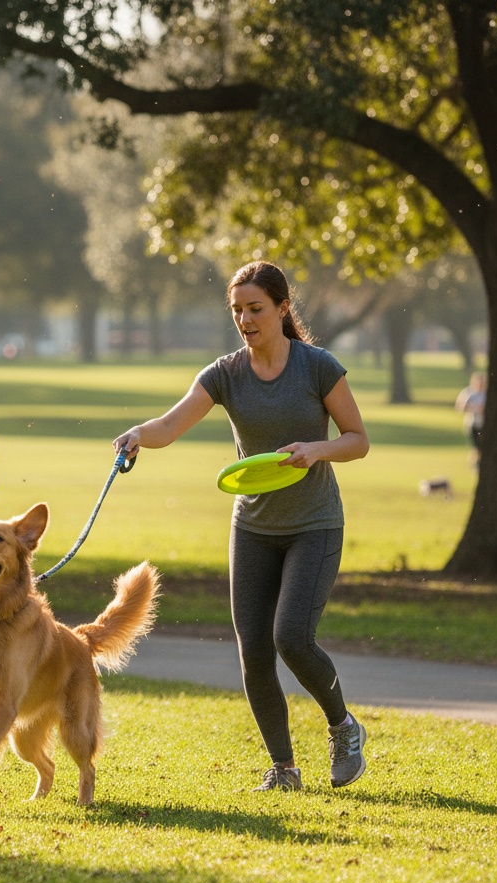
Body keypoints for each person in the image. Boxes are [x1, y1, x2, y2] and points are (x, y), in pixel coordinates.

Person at [113, 261, 371, 792]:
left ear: (282, 308)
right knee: (254, 651)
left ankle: (343, 727)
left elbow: (357, 439)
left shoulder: (318, 366)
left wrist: (315, 450)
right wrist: (138, 434)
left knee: (292, 638)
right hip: (253, 526)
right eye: (237, 311)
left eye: (255, 309)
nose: (245, 320)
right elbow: (171, 423)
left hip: (313, 523)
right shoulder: (225, 373)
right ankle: (284, 769)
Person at [454, 370, 486, 468]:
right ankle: (474, 465)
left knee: (482, 446)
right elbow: (459, 407)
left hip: (484, 424)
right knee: (475, 447)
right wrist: (473, 407)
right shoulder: (468, 392)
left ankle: (478, 464)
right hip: (472, 424)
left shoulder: (486, 393)